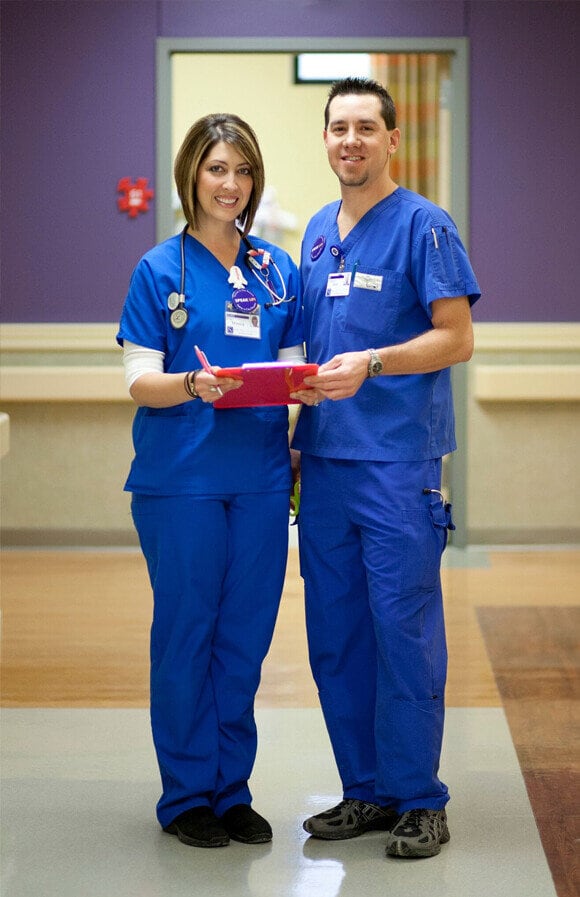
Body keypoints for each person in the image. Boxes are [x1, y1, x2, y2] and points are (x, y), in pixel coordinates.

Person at [290, 77, 481, 859]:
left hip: (398, 465)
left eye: (367, 127)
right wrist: (296, 435)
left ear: (392, 139)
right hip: (328, 465)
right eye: (338, 127)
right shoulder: (313, 233)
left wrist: (373, 362)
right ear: (326, 138)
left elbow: (456, 336)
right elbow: (307, 351)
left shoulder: (425, 227)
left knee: (403, 631)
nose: (351, 141)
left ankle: (419, 797)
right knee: (335, 634)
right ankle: (364, 789)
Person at [117, 113, 305, 849]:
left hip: (260, 480)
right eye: (218, 169)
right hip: (182, 479)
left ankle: (232, 789)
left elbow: (289, 366)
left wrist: (305, 389)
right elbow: (139, 380)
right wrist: (191, 383)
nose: (231, 185)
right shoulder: (159, 268)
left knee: (244, 638)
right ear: (191, 174)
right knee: (187, 633)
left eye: (244, 171)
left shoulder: (276, 269)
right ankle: (187, 793)